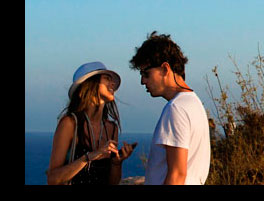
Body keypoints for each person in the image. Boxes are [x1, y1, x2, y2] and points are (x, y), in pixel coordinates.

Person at [129, 31, 211, 185]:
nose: (142, 81)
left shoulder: (176, 109)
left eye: (146, 73)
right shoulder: (194, 103)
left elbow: (177, 175)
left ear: (165, 69)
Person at [46, 62, 136, 185]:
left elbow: (112, 182)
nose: (113, 84)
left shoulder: (111, 128)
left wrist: (117, 162)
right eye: (106, 78)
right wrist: (89, 157)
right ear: (90, 84)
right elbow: (53, 178)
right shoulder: (70, 123)